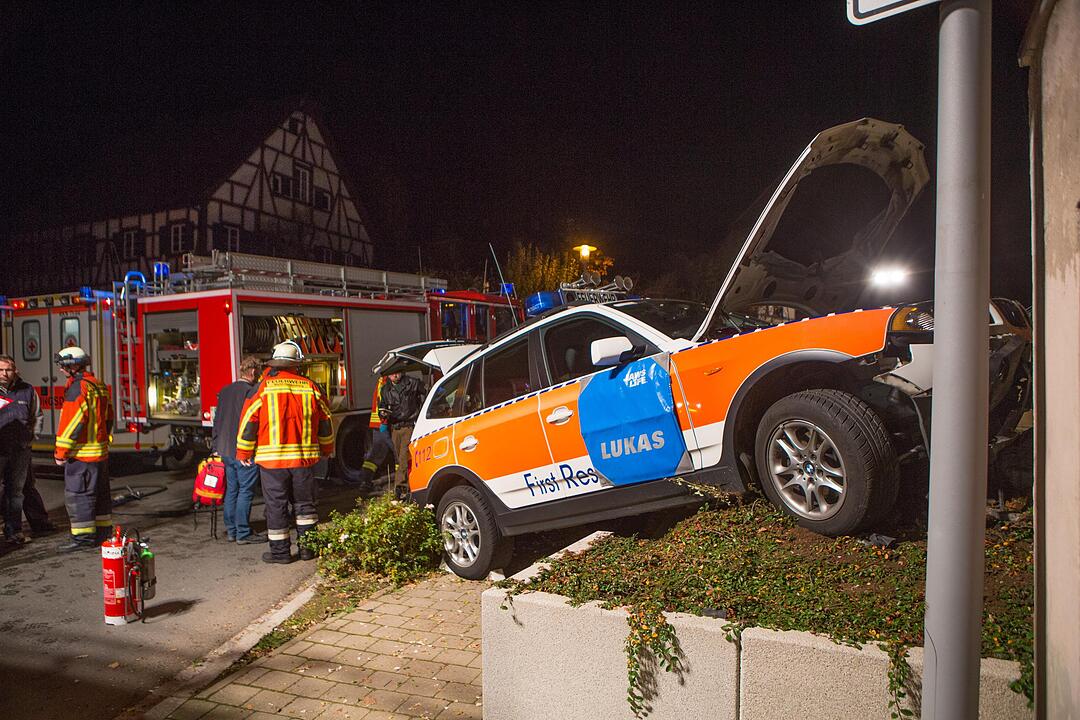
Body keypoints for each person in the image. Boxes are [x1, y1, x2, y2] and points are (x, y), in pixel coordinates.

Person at [236, 341, 334, 564]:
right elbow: (326, 421)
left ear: (276, 364)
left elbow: (248, 421)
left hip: (272, 464)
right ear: (296, 365)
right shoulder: (310, 387)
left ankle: (280, 554)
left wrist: (244, 453)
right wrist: (327, 449)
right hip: (303, 460)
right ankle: (308, 550)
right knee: (305, 505)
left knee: (276, 506)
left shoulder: (263, 387)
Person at [53, 347, 114, 552]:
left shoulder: (78, 388)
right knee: (100, 494)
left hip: (82, 456)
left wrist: (61, 454)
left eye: (63, 366)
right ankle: (103, 533)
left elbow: (72, 423)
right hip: (100, 454)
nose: (61, 370)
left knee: (79, 495)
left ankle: (82, 539)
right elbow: (109, 417)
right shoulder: (99, 385)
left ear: (74, 366)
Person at [212, 354, 265, 544]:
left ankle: (232, 530)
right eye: (257, 373)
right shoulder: (252, 392)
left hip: (225, 449)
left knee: (232, 490)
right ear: (252, 372)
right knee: (245, 490)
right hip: (244, 451)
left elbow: (217, 421)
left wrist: (215, 446)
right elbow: (253, 423)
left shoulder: (225, 391)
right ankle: (243, 532)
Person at [0, 355, 37, 544]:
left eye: (8, 370)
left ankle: (14, 531)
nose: (5, 374)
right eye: (1, 370)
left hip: (20, 450)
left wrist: (31, 438)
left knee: (16, 492)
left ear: (15, 371)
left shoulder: (27, 390)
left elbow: (36, 416)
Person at [378, 370, 424, 498]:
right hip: (395, 427)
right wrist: (382, 414)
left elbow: (427, 394)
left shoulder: (413, 383)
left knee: (404, 455)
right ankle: (409, 484)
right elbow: (382, 405)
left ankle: (400, 488)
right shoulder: (385, 389)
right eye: (392, 373)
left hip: (408, 425)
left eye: (397, 373)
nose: (395, 375)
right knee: (399, 458)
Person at [355, 374, 392, 490]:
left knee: (376, 454)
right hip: (385, 423)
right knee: (398, 453)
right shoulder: (387, 382)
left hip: (378, 423)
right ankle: (402, 483)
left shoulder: (383, 380)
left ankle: (365, 481)